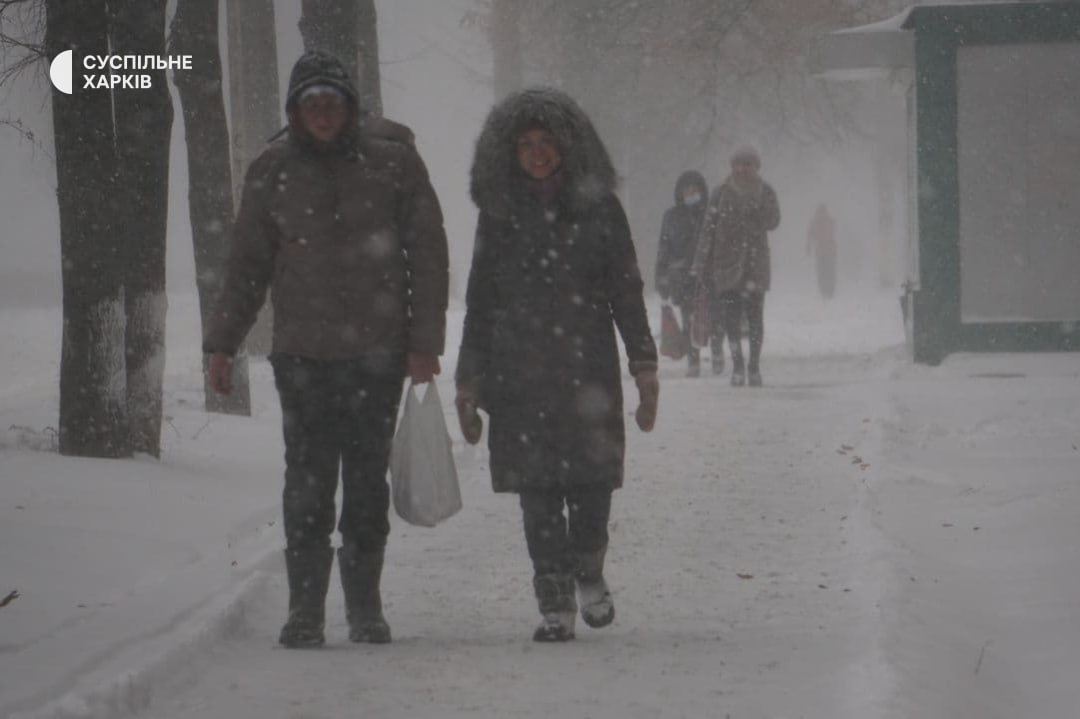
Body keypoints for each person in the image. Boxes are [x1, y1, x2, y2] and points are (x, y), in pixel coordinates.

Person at [202, 51, 448, 648]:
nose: (322, 113)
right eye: (310, 103)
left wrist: (424, 346)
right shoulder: (271, 170)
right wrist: (222, 344)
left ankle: (365, 607)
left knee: (366, 481)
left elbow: (429, 256)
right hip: (303, 356)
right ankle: (305, 609)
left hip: (377, 353)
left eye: (331, 102)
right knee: (307, 481)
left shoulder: (394, 163)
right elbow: (247, 266)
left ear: (349, 107)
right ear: (295, 110)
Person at [455, 87, 659, 642]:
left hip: (586, 368)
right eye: (526, 144)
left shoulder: (600, 209)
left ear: (568, 146)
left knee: (592, 486)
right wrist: (469, 380)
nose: (538, 153)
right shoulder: (498, 215)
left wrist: (644, 364)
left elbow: (626, 289)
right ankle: (553, 596)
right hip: (519, 375)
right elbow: (482, 300)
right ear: (510, 153)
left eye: (547, 141)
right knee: (538, 490)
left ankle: (588, 569)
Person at [691, 146, 780, 387]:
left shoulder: (766, 192)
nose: (742, 168)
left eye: (747, 164)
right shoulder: (720, 193)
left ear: (756, 166)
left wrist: (758, 211)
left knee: (755, 319)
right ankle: (738, 366)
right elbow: (708, 230)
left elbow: (774, 221)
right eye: (738, 164)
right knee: (730, 320)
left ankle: (754, 366)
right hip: (726, 266)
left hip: (755, 266)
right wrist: (701, 264)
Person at [656, 170, 724, 376]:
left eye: (695, 190)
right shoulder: (672, 216)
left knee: (716, 317)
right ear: (680, 193)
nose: (691, 194)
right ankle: (693, 361)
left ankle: (717, 352)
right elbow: (664, 248)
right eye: (687, 190)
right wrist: (661, 278)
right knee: (689, 319)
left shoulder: (712, 214)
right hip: (682, 276)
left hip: (710, 274)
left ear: (702, 191)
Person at [806, 202, 838, 299]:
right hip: (828, 252)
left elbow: (810, 235)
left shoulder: (818, 222)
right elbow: (810, 235)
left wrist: (808, 246)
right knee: (827, 272)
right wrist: (808, 246)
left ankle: (826, 291)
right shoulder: (829, 221)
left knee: (823, 272)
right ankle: (828, 291)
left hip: (823, 252)